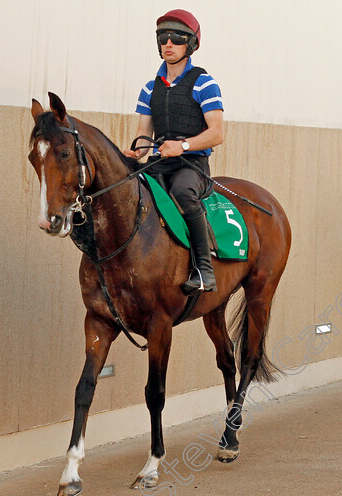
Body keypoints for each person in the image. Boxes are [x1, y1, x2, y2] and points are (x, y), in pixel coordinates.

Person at [124, 9, 224, 294]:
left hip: (192, 167)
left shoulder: (205, 83)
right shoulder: (148, 89)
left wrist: (182, 146)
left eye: (177, 38)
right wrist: (133, 154)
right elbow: (143, 142)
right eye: (163, 38)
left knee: (182, 193)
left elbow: (217, 134)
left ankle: (204, 270)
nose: (168, 44)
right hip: (159, 163)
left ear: (191, 44)